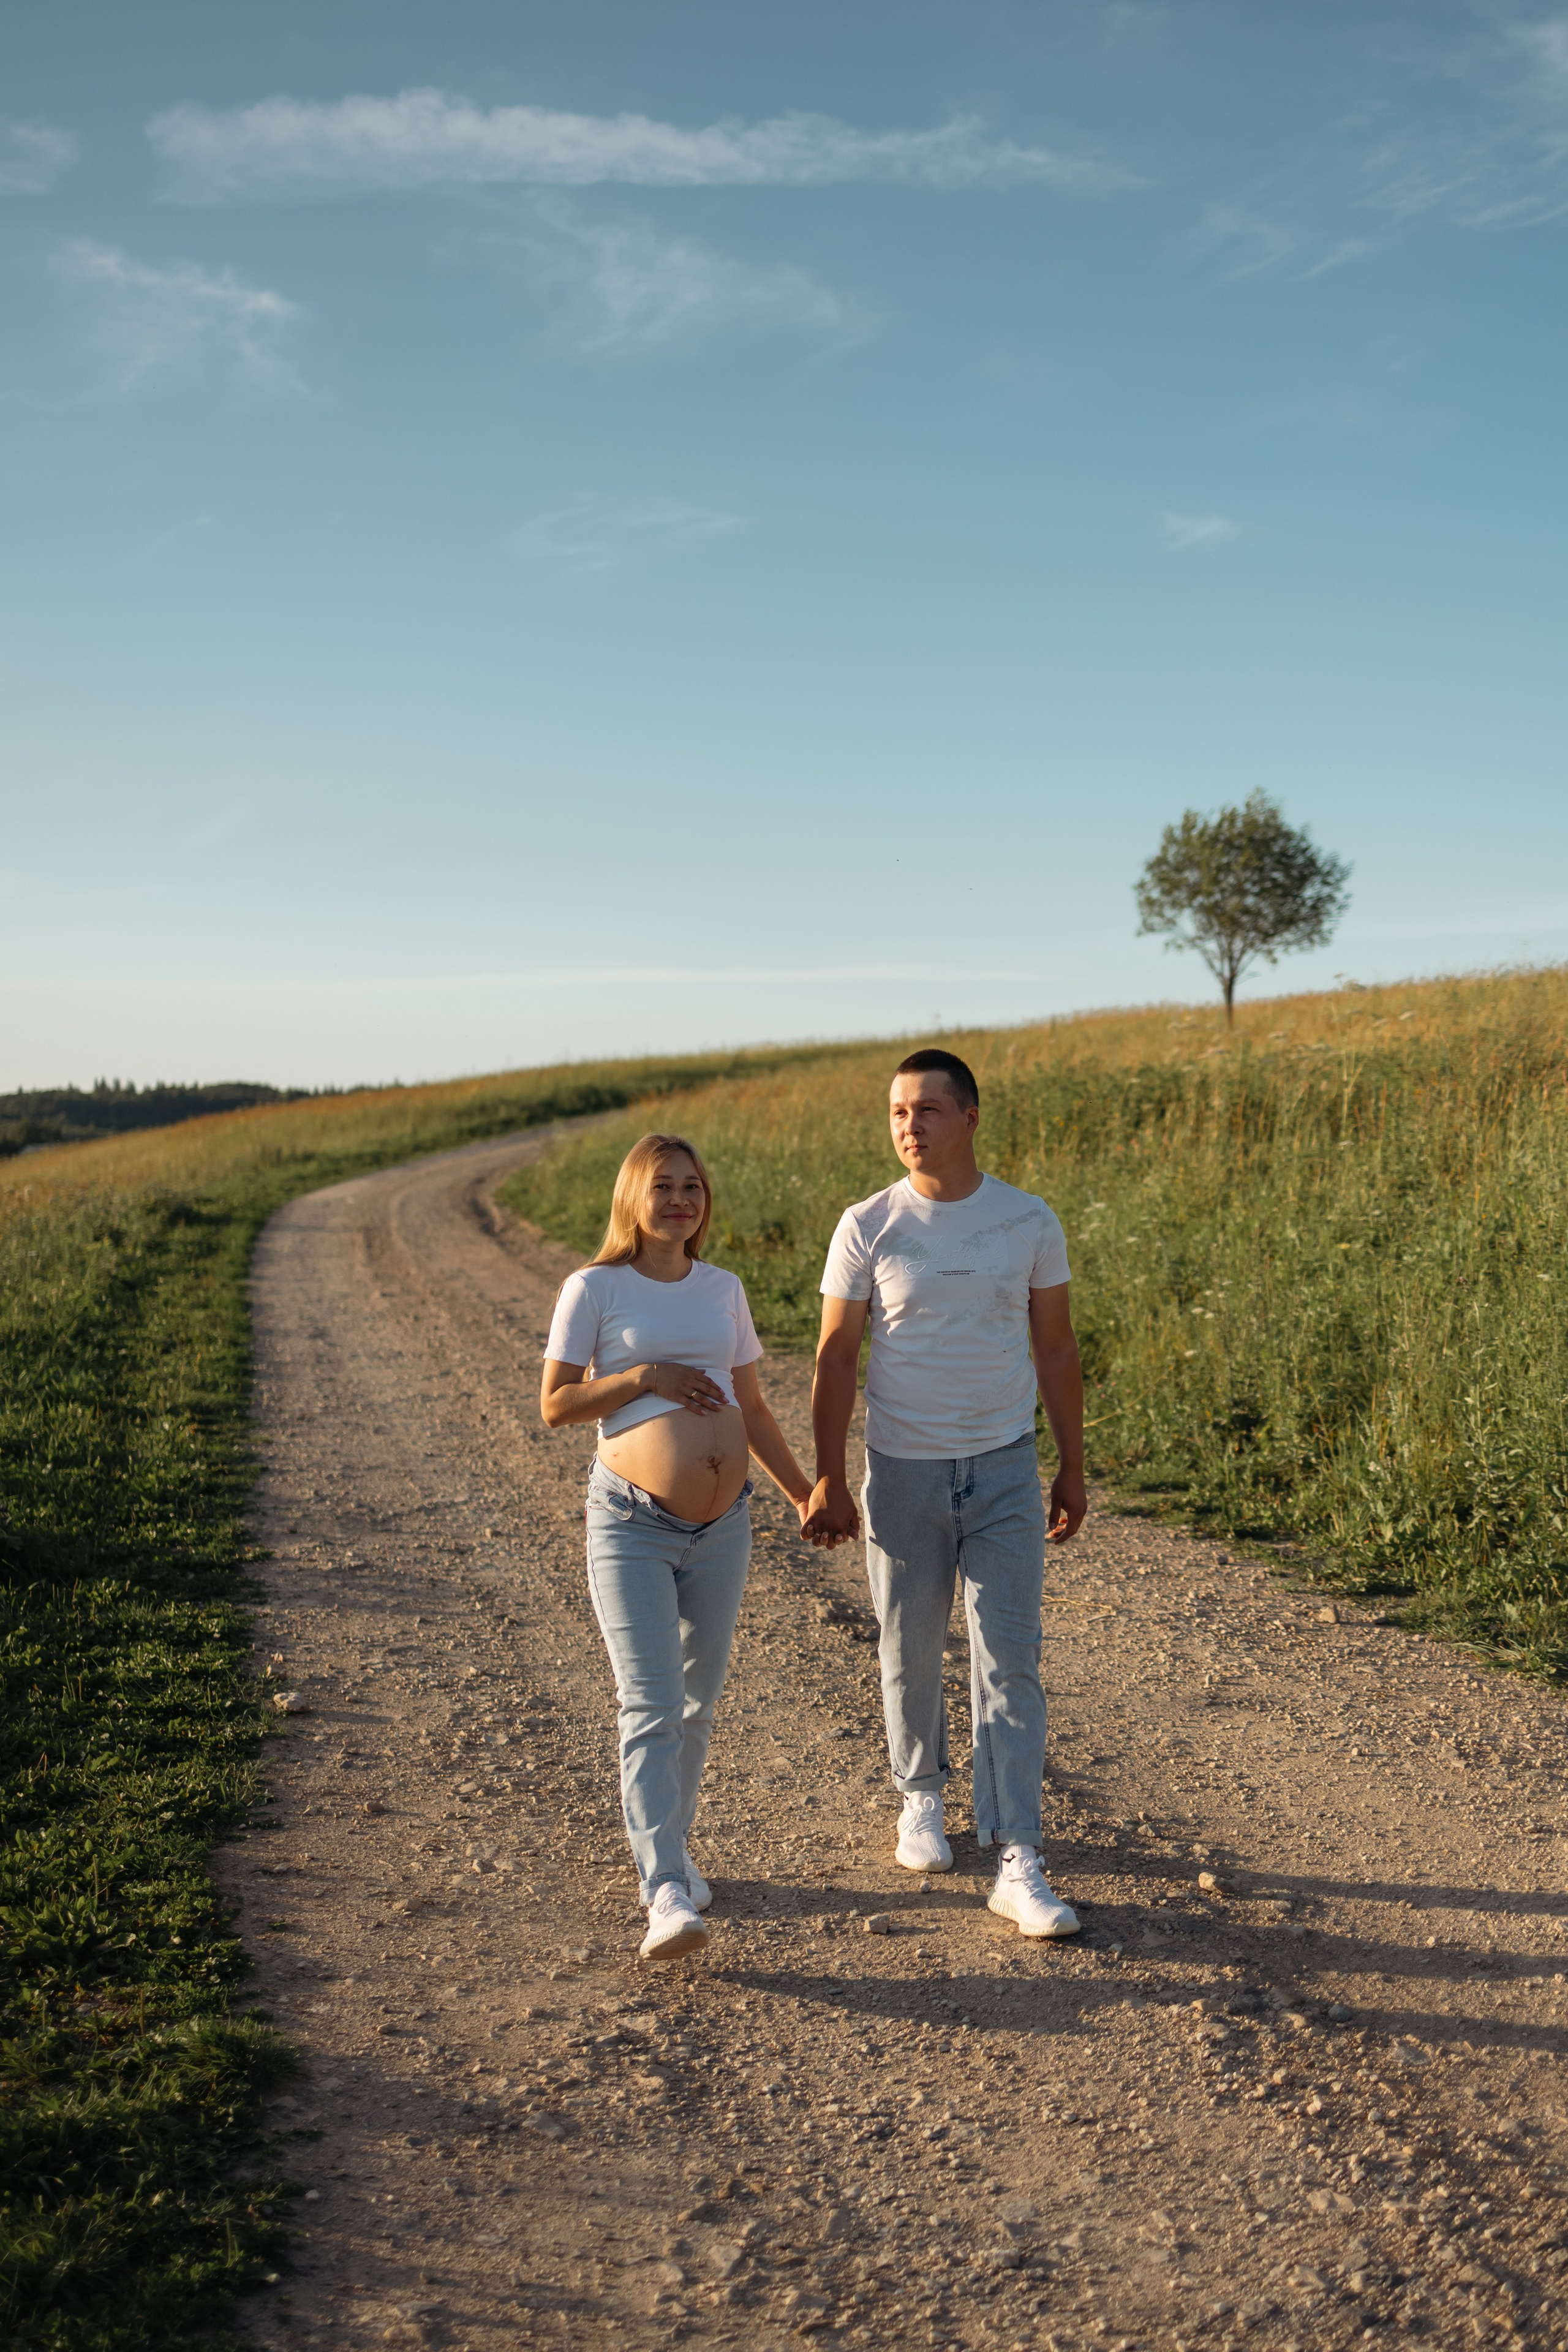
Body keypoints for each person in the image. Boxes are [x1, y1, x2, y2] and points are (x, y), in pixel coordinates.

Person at [804, 1049, 1087, 1939]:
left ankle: (1017, 1854)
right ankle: (920, 1799)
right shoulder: (868, 1225)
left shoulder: (1027, 1221)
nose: (909, 1127)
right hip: (903, 1471)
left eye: (926, 1109)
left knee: (1011, 1662)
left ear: (970, 1117)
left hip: (1003, 1467)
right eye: (896, 1113)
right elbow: (836, 1357)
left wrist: (1073, 1465)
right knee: (910, 1646)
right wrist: (825, 1474)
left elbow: (1056, 1351)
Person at [541, 1133, 816, 1964]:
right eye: (663, 1186)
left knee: (697, 1705)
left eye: (693, 1186)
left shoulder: (722, 1290)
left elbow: (754, 1408)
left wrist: (804, 1493)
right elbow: (557, 1405)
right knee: (652, 1703)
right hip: (631, 1523)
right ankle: (661, 1888)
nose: (681, 1200)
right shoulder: (594, 1288)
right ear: (634, 1198)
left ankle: (671, 1851)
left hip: (724, 1526)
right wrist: (643, 1378)